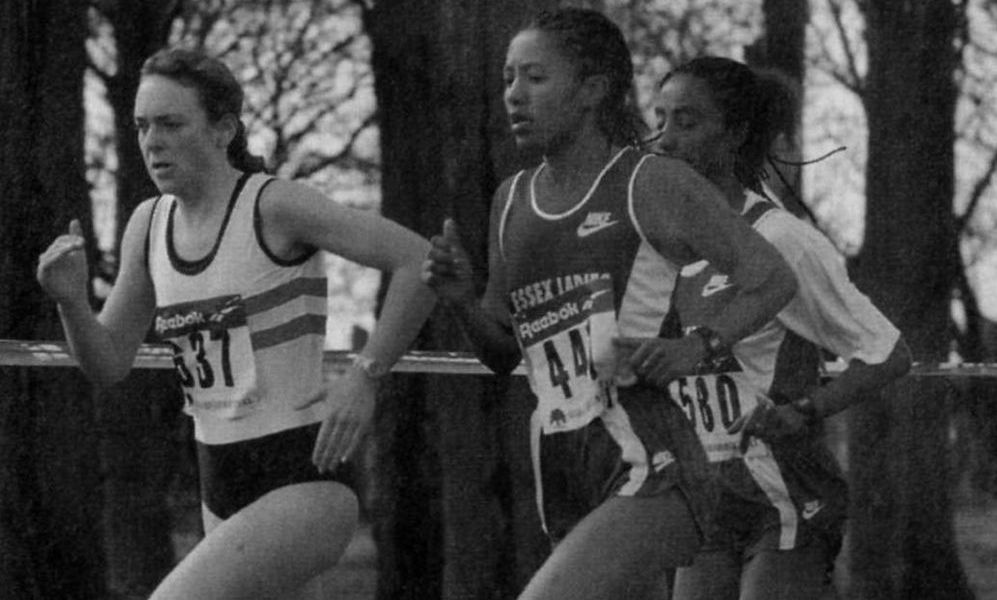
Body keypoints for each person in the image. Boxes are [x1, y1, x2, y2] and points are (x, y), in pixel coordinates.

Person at [422, 9, 799, 600]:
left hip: (651, 460)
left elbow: (772, 279)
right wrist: (462, 301)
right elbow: (502, 353)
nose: (514, 96)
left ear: (594, 90)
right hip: (562, 462)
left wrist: (697, 346)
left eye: (536, 79)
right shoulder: (511, 198)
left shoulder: (651, 182)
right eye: (508, 78)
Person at [36, 47, 435, 600]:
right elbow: (108, 362)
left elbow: (420, 261)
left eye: (172, 124)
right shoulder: (148, 226)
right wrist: (71, 303)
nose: (152, 141)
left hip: (306, 480)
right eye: (141, 125)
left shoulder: (275, 207)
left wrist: (366, 375)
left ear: (224, 129)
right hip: (219, 483)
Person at [649, 56, 912, 600]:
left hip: (786, 494)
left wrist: (805, 411)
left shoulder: (783, 240)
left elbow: (889, 353)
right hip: (706, 496)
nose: (665, 139)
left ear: (736, 134)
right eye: (661, 119)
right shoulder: (656, 246)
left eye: (687, 122)